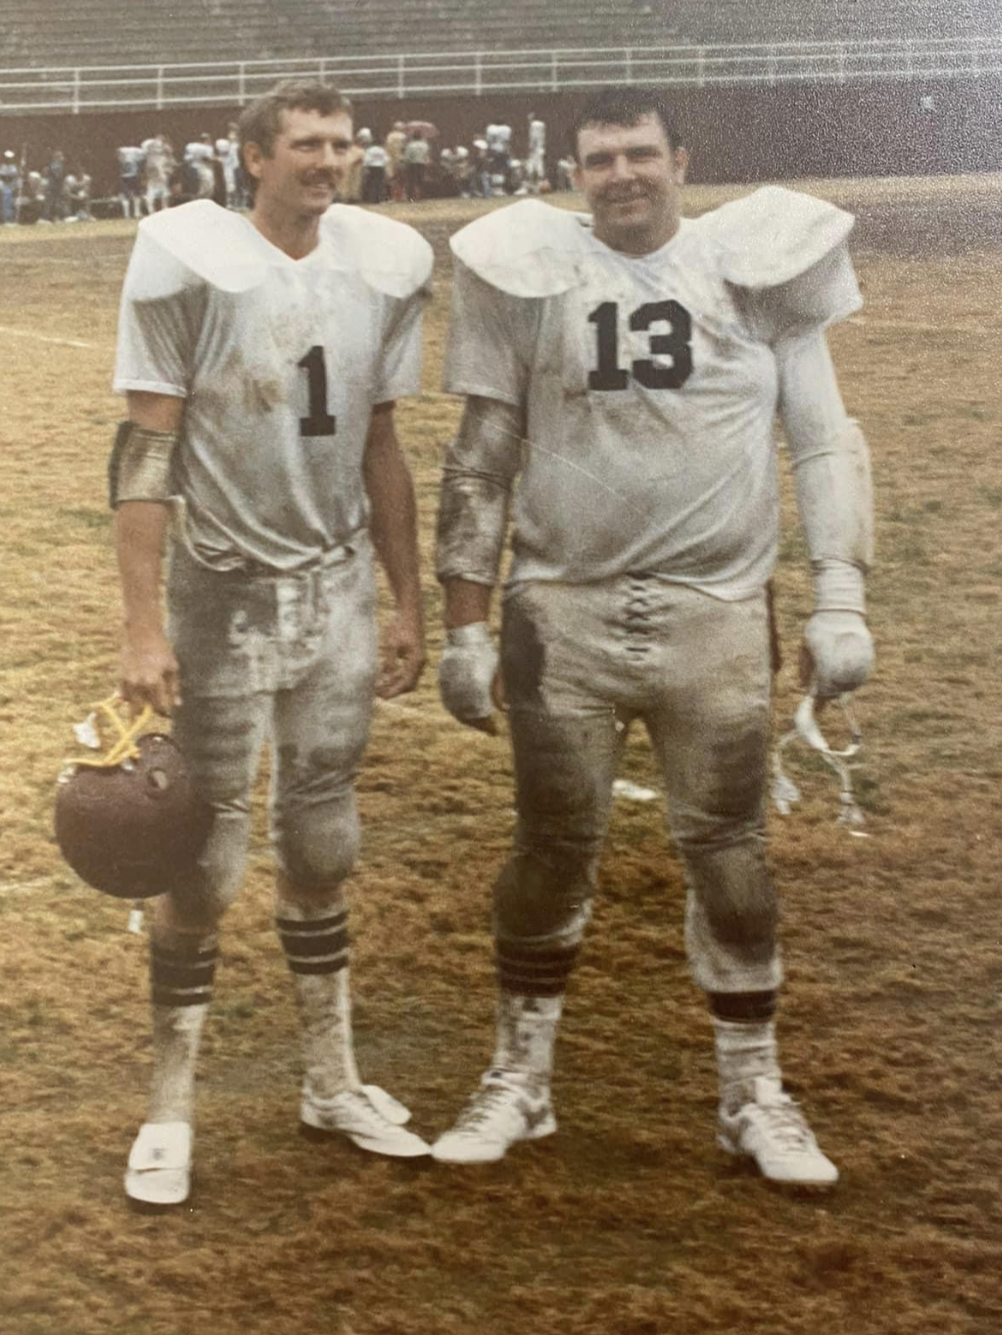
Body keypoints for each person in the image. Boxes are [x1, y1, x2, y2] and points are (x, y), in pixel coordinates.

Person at [431, 87, 875, 1184]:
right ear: (571, 174)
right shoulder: (529, 277)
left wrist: (840, 594)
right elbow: (478, 459)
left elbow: (821, 440)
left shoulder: (750, 269)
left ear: (682, 158)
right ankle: (519, 1082)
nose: (620, 173)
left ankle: (751, 1095)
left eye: (638, 153)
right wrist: (464, 624)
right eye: (596, 159)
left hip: (714, 613)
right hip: (560, 611)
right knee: (547, 850)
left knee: (728, 855)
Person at [110, 79, 433, 1205]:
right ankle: (171, 1105)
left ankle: (331, 1081)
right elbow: (146, 448)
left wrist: (407, 597)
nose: (328, 161)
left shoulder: (382, 263)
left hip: (336, 584)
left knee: (323, 840)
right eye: (304, 144)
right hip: (225, 589)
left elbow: (382, 443)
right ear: (250, 156)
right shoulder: (188, 259)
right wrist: (144, 624)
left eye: (342, 144)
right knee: (202, 857)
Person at [0, 150, 21, 225]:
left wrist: (18, 183)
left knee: (13, 203)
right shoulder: (2, 167)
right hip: (5, 187)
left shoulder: (14, 167)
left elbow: (17, 176)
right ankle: (7, 220)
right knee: (6, 202)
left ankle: (12, 219)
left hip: (13, 187)